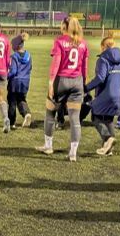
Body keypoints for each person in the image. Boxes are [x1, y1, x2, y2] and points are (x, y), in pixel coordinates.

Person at [38, 16, 88, 160]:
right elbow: (84, 67)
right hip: (77, 82)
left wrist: (50, 83)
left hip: (61, 80)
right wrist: (83, 84)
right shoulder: (83, 43)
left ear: (65, 26)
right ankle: (72, 153)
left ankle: (48, 146)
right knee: (75, 119)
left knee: (50, 113)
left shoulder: (60, 41)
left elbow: (56, 64)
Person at [84, 34, 120, 156]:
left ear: (104, 47)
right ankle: (109, 148)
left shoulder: (103, 59)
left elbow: (100, 78)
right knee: (108, 119)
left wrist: (86, 88)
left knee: (95, 116)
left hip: (106, 94)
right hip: (118, 94)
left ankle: (107, 138)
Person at [7, 34, 32, 128]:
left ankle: (12, 123)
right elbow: (30, 68)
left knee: (12, 101)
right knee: (21, 99)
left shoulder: (14, 56)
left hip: (14, 82)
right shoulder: (29, 56)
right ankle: (26, 114)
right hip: (25, 81)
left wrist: (7, 76)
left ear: (16, 46)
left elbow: (13, 71)